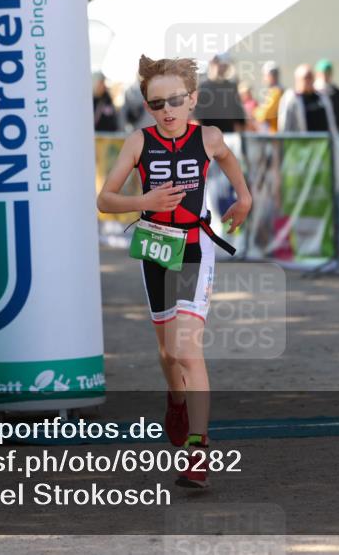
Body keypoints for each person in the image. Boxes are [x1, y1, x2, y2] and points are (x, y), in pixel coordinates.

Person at [96, 55, 251, 489]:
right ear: (147, 106)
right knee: (167, 354)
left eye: (175, 101)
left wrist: (243, 198)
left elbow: (228, 159)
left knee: (187, 349)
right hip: (155, 247)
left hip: (195, 246)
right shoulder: (138, 142)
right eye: (157, 103)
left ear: (193, 100)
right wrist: (143, 203)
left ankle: (198, 449)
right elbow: (105, 199)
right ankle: (177, 400)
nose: (167, 110)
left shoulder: (209, 137)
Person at [194, 54, 246, 133]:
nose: (222, 69)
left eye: (225, 66)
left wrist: (241, 125)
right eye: (220, 65)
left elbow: (238, 110)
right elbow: (198, 113)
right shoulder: (204, 87)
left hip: (229, 132)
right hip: (210, 133)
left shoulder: (231, 86)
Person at [277, 64, 336, 133]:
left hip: (321, 142)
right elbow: (284, 126)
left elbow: (332, 125)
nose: (308, 81)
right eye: (306, 78)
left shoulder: (322, 98)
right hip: (300, 142)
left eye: (310, 77)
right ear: (298, 80)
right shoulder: (291, 99)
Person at [314, 58, 339, 131]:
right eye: (323, 73)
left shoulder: (337, 92)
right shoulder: (312, 92)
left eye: (328, 73)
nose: (325, 77)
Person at [252, 61, 283, 133]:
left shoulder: (277, 92)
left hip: (276, 134)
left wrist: (254, 112)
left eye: (265, 75)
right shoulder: (273, 91)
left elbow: (265, 114)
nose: (264, 78)